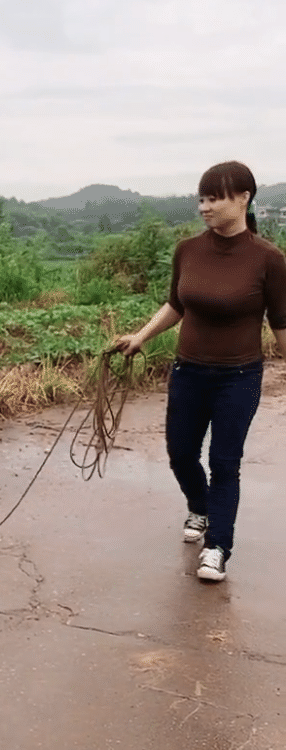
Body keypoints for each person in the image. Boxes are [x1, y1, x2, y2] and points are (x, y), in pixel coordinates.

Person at [116, 161, 286, 582]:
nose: (204, 207)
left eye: (215, 198)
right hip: (188, 370)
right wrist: (142, 336)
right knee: (180, 454)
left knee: (225, 462)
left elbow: (281, 322)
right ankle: (200, 506)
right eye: (202, 198)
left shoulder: (269, 259)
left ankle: (218, 546)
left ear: (244, 199)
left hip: (239, 377)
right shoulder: (187, 250)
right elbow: (177, 304)